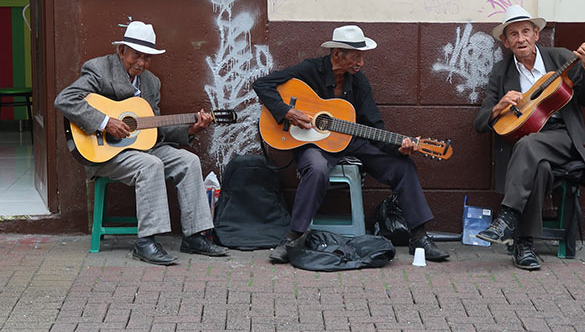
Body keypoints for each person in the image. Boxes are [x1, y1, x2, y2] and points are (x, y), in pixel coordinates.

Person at [253, 25, 449, 264]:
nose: (361, 63)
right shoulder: (309, 69)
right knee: (316, 169)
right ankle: (294, 237)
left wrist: (399, 145)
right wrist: (287, 112)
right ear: (337, 54)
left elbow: (375, 127)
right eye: (356, 56)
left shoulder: (359, 83)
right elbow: (262, 84)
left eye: (362, 57)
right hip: (311, 144)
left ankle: (419, 237)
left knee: (401, 165)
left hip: (350, 141)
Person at [55, 21, 227, 265]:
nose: (141, 63)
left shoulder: (151, 83)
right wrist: (105, 122)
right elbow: (65, 100)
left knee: (188, 161)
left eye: (147, 58)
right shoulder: (98, 69)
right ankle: (145, 242)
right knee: (151, 164)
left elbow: (152, 129)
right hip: (105, 152)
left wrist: (190, 128)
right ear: (122, 50)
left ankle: (195, 235)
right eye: (136, 56)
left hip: (144, 147)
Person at [473, 5, 585, 270]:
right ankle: (524, 245)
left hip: (564, 138)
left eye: (525, 32)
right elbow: (479, 123)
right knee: (538, 166)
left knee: (528, 144)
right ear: (505, 42)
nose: (520, 39)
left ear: (536, 35)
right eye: (513, 34)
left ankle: (507, 216)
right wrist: (499, 107)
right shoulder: (501, 72)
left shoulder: (561, 59)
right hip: (530, 150)